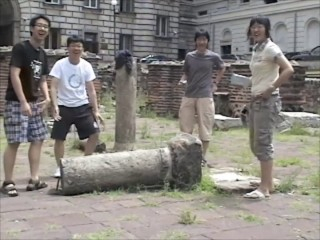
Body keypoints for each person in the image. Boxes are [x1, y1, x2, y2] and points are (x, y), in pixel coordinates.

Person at [244, 16, 294, 199]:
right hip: (256, 100)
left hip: (267, 101)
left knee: (263, 143)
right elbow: (262, 73)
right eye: (253, 27)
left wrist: (271, 88)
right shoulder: (257, 49)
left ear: (266, 29)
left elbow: (288, 69)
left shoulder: (270, 48)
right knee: (255, 143)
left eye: (260, 27)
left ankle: (264, 188)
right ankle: (268, 182)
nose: (256, 30)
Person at [1, 15, 51, 197]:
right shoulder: (21, 48)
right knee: (14, 141)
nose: (42, 29)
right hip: (16, 102)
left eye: (46, 27)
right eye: (39, 25)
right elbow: (14, 75)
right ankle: (8, 182)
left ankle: (34, 179)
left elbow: (43, 78)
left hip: (35, 103)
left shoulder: (43, 54)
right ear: (31, 28)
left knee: (38, 139)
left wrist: (47, 97)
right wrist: (22, 101)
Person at [49, 35, 102, 178]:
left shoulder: (86, 66)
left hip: (82, 106)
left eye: (79, 46)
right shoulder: (60, 64)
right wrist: (54, 105)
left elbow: (91, 90)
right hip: (64, 106)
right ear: (68, 48)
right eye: (73, 45)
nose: (76, 49)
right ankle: (60, 167)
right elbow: (53, 87)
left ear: (83, 49)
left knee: (95, 133)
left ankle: (85, 163)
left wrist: (95, 110)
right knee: (59, 138)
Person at [178, 29, 225, 166]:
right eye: (199, 39)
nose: (201, 42)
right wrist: (182, 80)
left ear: (207, 42)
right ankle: (187, 156)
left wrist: (215, 83)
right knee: (185, 127)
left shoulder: (213, 57)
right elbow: (186, 73)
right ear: (195, 41)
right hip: (189, 94)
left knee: (205, 126)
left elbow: (222, 67)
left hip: (205, 94)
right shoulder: (189, 57)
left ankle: (202, 157)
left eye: (204, 40)